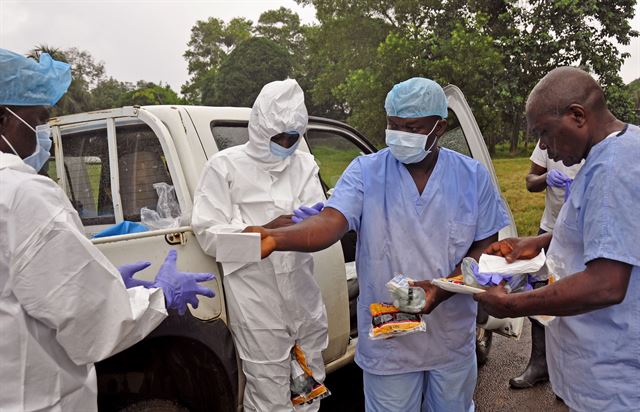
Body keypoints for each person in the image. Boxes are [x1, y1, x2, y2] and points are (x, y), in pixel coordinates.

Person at [246, 77, 511, 411]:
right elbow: (330, 223)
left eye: (411, 127)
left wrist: (441, 289)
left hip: (450, 335)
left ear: (439, 127)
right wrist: (277, 238)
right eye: (392, 125)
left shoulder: (471, 177)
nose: (399, 134)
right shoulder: (366, 171)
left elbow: (486, 247)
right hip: (391, 340)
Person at [0, 48, 215, 411]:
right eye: (37, 118)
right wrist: (158, 296)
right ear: (4, 118)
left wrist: (98, 280)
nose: (42, 133)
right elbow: (94, 323)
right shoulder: (22, 194)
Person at [475, 66, 639, 411]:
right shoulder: (624, 146)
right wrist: (540, 242)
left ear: (577, 115)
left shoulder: (610, 171)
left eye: (545, 133)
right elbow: (613, 232)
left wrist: (512, 305)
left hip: (611, 379)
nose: (545, 149)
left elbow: (606, 284)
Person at [191, 79, 329, 411]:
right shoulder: (225, 166)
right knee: (268, 394)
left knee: (310, 386)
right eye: (277, 137)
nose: (285, 144)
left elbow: (319, 222)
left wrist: (313, 221)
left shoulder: (305, 164)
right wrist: (264, 232)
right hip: (256, 299)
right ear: (258, 129)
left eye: (292, 138)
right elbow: (209, 233)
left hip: (302, 293)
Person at [509, 141, 583, 389]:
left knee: (578, 299)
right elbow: (530, 182)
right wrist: (546, 179)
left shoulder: (593, 143)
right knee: (540, 291)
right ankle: (539, 364)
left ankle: (571, 376)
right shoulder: (549, 140)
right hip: (550, 230)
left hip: (584, 232)